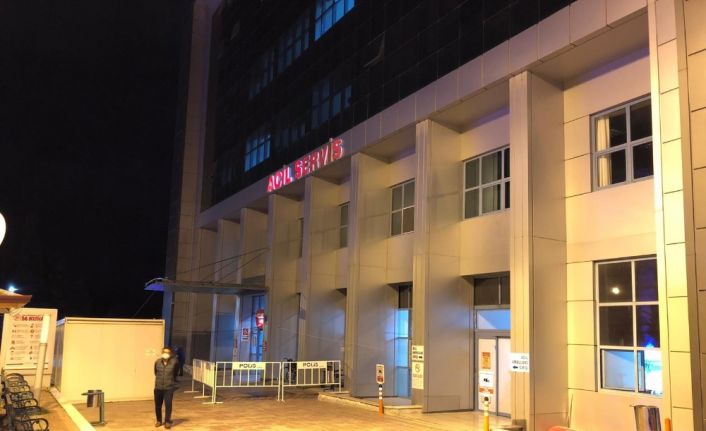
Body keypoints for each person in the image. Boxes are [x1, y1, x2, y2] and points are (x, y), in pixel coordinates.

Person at [154, 347, 179, 428]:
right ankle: (159, 421)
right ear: (162, 353)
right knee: (158, 405)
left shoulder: (174, 362)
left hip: (169, 388)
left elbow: (175, 373)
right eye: (164, 352)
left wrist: (172, 382)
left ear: (170, 354)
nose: (165, 353)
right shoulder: (157, 362)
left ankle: (167, 421)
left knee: (168, 405)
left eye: (167, 352)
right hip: (158, 387)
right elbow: (155, 373)